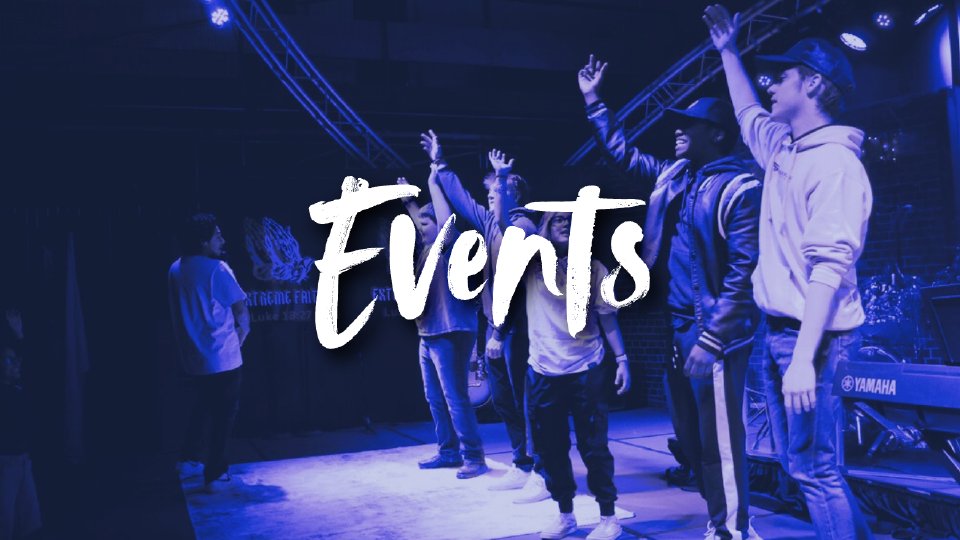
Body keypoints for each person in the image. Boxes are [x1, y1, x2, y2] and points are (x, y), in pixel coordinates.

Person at [705, 5, 873, 539]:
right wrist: (728, 52)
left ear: (814, 84)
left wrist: (802, 358)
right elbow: (747, 113)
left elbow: (829, 267)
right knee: (801, 466)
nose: (771, 85)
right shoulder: (785, 149)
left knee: (815, 470)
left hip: (816, 339)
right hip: (777, 332)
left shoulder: (836, 165)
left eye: (783, 77)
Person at [579, 54, 762, 539]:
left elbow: (743, 274)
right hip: (680, 328)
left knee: (720, 440)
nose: (677, 130)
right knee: (693, 441)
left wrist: (713, 339)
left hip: (713, 332)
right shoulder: (677, 177)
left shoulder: (739, 188)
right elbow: (624, 155)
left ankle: (733, 530)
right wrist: (595, 102)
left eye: (689, 124)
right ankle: (721, 521)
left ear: (717, 134)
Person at [420, 131, 548, 500]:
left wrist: (498, 333)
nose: (490, 196)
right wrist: (439, 164)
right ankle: (522, 463)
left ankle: (541, 471)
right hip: (498, 329)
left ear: (513, 195)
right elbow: (462, 199)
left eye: (497, 192)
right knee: (506, 401)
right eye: (491, 192)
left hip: (518, 329)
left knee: (527, 400)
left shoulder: (522, 227)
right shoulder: (492, 224)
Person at [507, 209, 631, 540]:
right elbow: (508, 230)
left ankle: (608, 517)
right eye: (558, 219)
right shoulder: (531, 266)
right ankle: (566, 515)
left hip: (586, 368)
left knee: (594, 447)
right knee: (551, 449)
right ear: (546, 226)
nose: (565, 224)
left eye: (570, 220)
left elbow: (608, 318)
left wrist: (622, 359)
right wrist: (502, 188)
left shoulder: (594, 268)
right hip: (543, 371)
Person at [398, 172, 488, 480]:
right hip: (428, 333)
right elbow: (421, 220)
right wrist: (409, 203)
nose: (420, 228)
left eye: (426, 224)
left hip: (451, 332)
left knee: (455, 398)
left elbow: (441, 221)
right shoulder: (428, 248)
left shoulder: (451, 246)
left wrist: (434, 180)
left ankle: (474, 457)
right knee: (435, 398)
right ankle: (449, 452)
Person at [168, 213, 250, 493]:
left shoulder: (175, 269)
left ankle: (189, 460)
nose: (222, 240)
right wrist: (241, 335)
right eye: (217, 235)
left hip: (193, 357)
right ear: (203, 241)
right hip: (222, 356)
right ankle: (215, 472)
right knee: (223, 415)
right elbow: (240, 309)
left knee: (203, 407)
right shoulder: (217, 269)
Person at [0, 343, 42, 540]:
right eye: (9, 360)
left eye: (16, 359)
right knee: (5, 525)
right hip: (5, 465)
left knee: (30, 524)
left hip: (23, 462)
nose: (17, 364)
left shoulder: (17, 389)